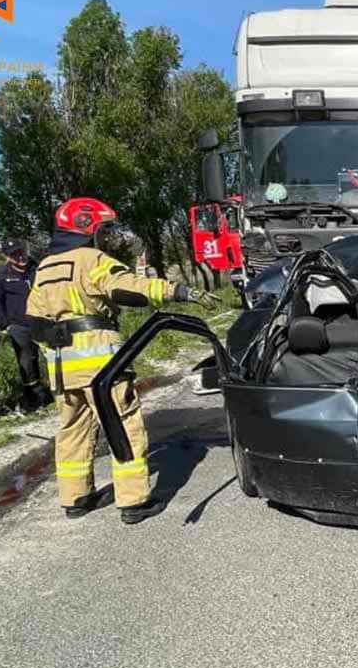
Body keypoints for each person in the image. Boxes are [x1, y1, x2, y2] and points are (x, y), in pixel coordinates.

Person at [26, 197, 217, 523]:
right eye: (101, 229)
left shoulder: (45, 268)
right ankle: (133, 502)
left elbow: (33, 321)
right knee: (122, 425)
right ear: (87, 227)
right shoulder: (92, 259)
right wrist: (179, 292)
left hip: (60, 365)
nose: (103, 236)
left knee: (72, 429)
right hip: (101, 362)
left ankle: (76, 497)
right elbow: (127, 288)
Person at [0, 238, 51, 413]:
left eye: (20, 252)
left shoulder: (38, 269)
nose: (19, 257)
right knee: (27, 363)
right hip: (19, 325)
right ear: (7, 257)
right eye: (14, 255)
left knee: (53, 357)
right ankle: (34, 396)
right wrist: (5, 325)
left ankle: (61, 390)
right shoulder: (1, 275)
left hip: (43, 322)